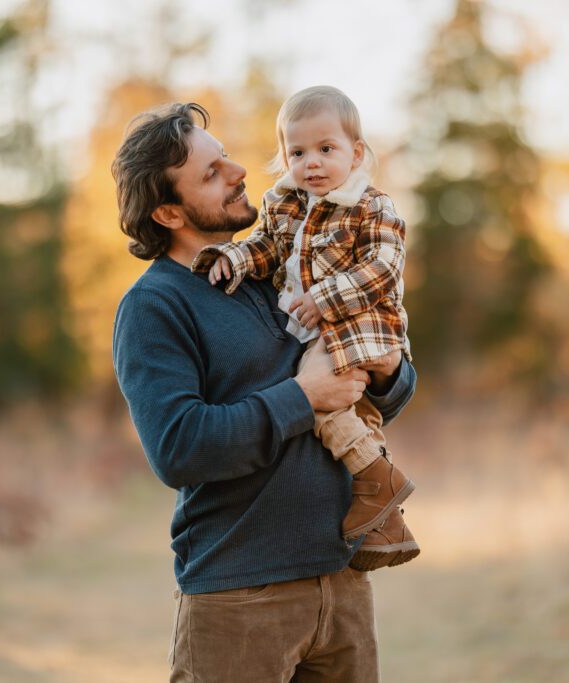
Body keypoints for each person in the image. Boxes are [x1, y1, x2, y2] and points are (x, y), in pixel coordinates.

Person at [111, 101, 418, 682]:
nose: (239, 171)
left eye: (223, 155)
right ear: (170, 213)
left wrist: (386, 371)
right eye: (211, 172)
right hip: (240, 595)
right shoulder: (155, 307)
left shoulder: (272, 270)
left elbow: (382, 390)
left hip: (343, 582)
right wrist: (305, 397)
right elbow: (179, 449)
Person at [192, 86, 418, 569]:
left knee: (320, 402)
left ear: (356, 153)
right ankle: (384, 522)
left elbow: (383, 267)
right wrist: (231, 257)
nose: (311, 162)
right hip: (316, 331)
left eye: (326, 149)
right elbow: (266, 248)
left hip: (360, 326)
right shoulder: (287, 205)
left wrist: (325, 298)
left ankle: (380, 479)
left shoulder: (373, 207)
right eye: (297, 152)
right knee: (356, 415)